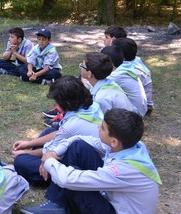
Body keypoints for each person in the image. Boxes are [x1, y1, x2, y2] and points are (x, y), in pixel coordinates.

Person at [20, 109, 161, 214]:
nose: (97, 128)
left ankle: (58, 205)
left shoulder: (126, 169)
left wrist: (49, 161)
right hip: (111, 195)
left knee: (75, 184)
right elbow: (78, 139)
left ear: (114, 141)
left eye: (103, 128)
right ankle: (58, 205)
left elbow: (69, 180)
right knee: (78, 147)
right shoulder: (129, 146)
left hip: (116, 209)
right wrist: (54, 152)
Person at [12, 76, 103, 186]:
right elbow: (59, 133)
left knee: (21, 161)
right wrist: (28, 143)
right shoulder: (92, 106)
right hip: (79, 147)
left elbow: (51, 152)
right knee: (49, 131)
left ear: (66, 102)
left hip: (83, 164)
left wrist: (26, 153)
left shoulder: (73, 124)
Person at [101, 46, 147, 116]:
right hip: (140, 108)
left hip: (136, 114)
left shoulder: (117, 75)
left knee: (103, 96)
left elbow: (97, 80)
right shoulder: (124, 66)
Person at [112, 37, 154, 112]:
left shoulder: (126, 73)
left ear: (121, 57)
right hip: (143, 104)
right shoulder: (136, 60)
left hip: (141, 108)